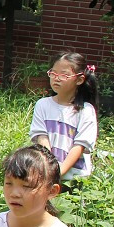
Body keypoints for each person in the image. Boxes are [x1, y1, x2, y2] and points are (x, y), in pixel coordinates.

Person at [30, 51, 98, 180]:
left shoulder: (86, 110)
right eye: (53, 73)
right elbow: (42, 139)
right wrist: (49, 170)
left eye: (64, 75)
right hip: (47, 174)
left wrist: (58, 174)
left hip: (75, 179)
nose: (56, 78)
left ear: (79, 79)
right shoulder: (42, 105)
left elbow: (79, 146)